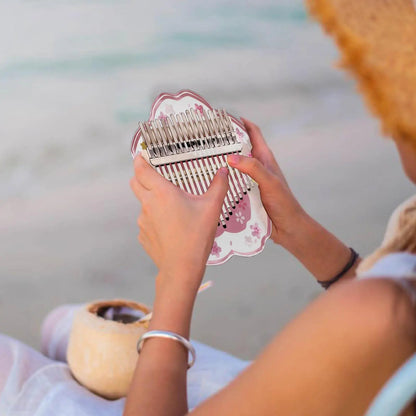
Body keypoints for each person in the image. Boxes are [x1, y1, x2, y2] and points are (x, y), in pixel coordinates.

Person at [125, 119, 416, 416]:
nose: (386, 122)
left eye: (395, 104)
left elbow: (379, 316)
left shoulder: (386, 313)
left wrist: (177, 274)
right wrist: (298, 229)